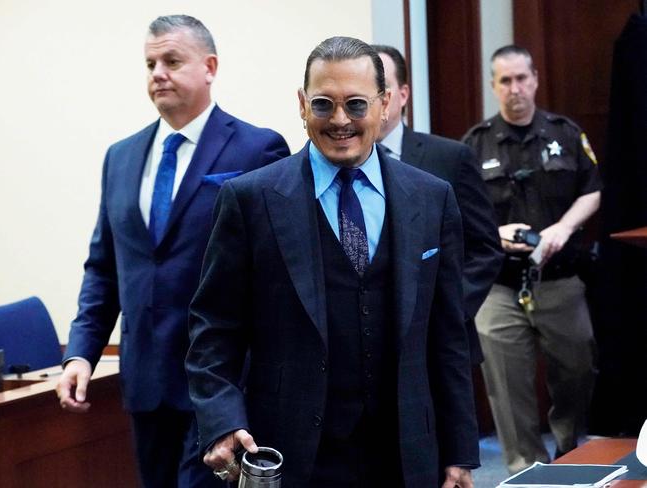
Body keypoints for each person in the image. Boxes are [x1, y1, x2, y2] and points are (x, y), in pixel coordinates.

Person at [186, 36, 479, 488]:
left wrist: (460, 452)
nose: (340, 120)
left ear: (385, 105)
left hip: (406, 455)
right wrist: (221, 419)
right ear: (302, 106)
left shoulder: (432, 197)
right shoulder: (250, 200)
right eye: (323, 104)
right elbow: (213, 327)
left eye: (356, 105)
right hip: (293, 453)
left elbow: (449, 337)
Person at [55, 14, 290, 488]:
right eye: (150, 63)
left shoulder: (257, 149)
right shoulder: (121, 157)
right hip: (146, 382)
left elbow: (277, 278)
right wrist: (80, 353)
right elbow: (105, 268)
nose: (157, 72)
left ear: (209, 66)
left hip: (223, 385)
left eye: (171, 60)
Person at [462, 45, 601, 474]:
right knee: (506, 384)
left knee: (578, 368)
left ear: (535, 79)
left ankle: (567, 446)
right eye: (505, 80)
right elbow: (460, 211)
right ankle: (526, 471)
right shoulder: (474, 143)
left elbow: (593, 188)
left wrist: (564, 227)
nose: (515, 88)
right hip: (500, 286)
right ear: (493, 86)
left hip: (558, 278)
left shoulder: (565, 133)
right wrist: (493, 234)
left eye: (522, 78)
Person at [372, 44, 503, 364]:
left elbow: (485, 248)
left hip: (439, 344)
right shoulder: (340, 164)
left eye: (381, 88)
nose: (372, 100)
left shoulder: (449, 157)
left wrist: (449, 310)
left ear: (402, 95)